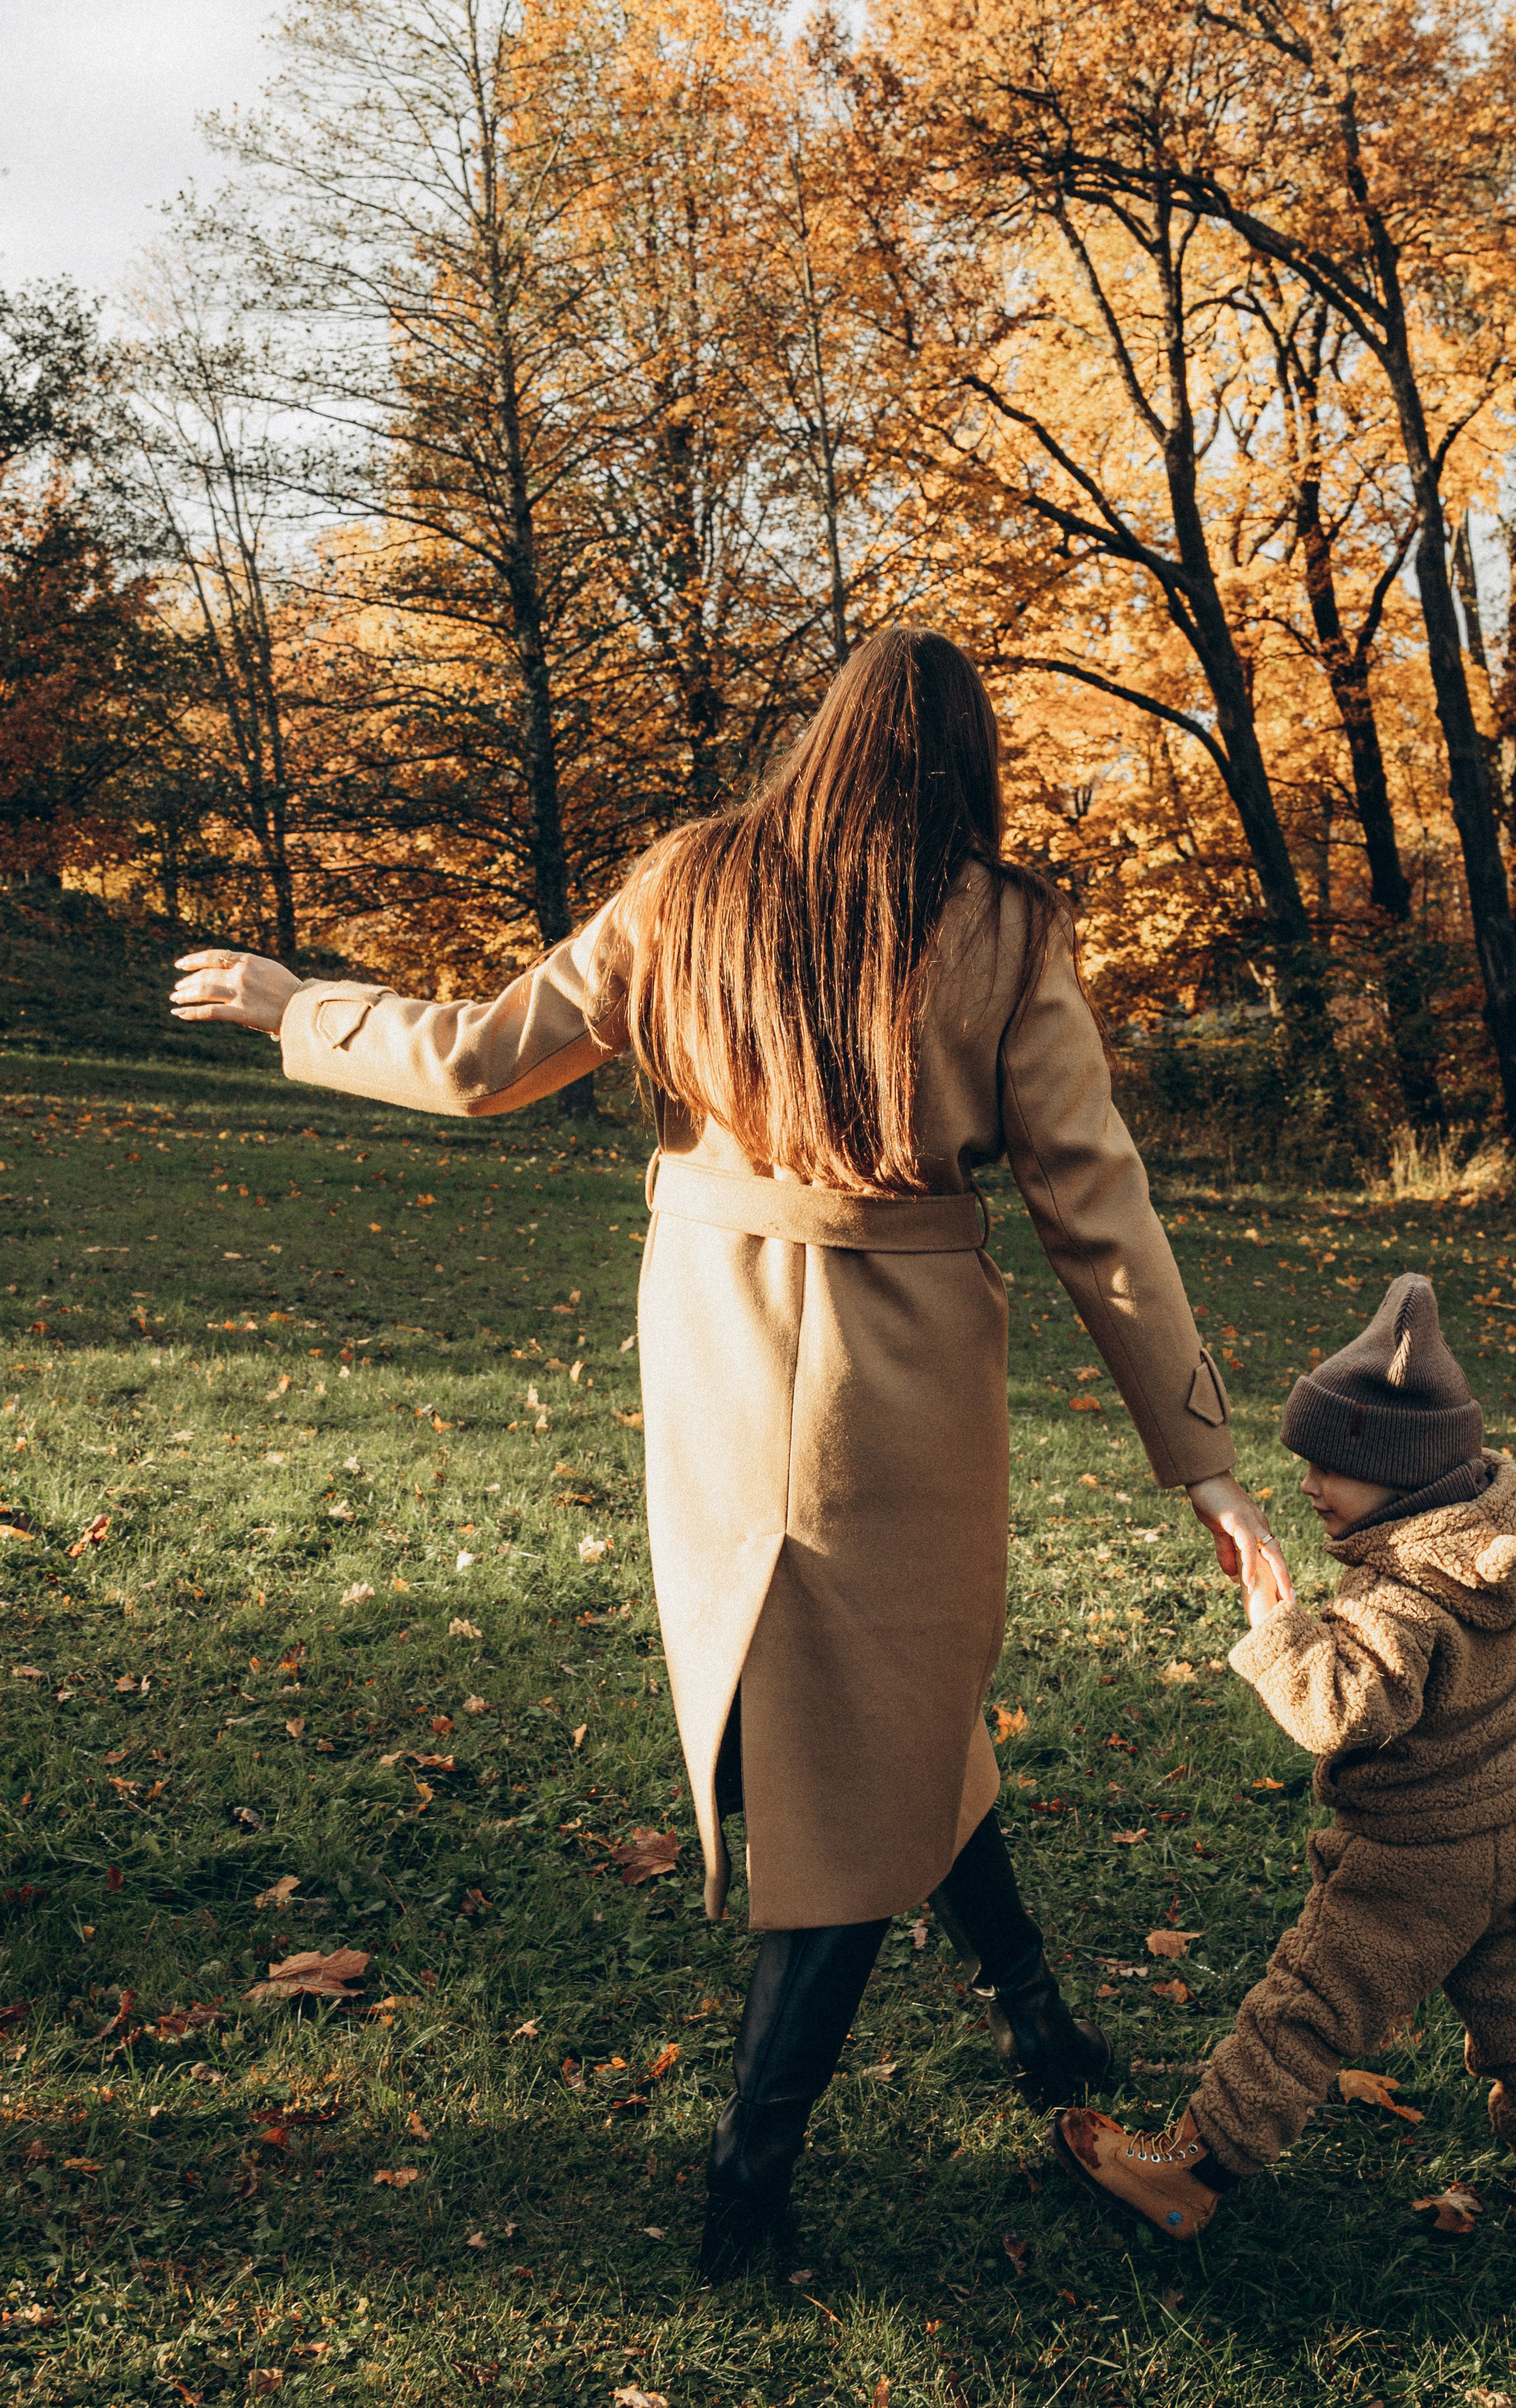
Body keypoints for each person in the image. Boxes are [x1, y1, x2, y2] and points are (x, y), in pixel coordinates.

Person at [170, 624, 1288, 2278]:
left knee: (877, 1714)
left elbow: (481, 1062)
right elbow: (1093, 1199)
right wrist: (1202, 1456)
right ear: (967, 771)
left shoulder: (692, 880)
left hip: (715, 1348)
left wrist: (291, 1001)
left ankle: (1041, 2033)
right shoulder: (999, 923)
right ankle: (744, 2202)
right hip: (893, 1391)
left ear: (822, 742)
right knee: (861, 1756)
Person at [1056, 1273, 1516, 2243]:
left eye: (1327, 1468)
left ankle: (1193, 2170)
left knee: (1306, 2008)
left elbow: (1341, 1708)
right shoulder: (1492, 1536)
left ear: (1404, 1477)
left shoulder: (1405, 1600)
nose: (1306, 1485)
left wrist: (1280, 1627)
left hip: (1418, 1860)